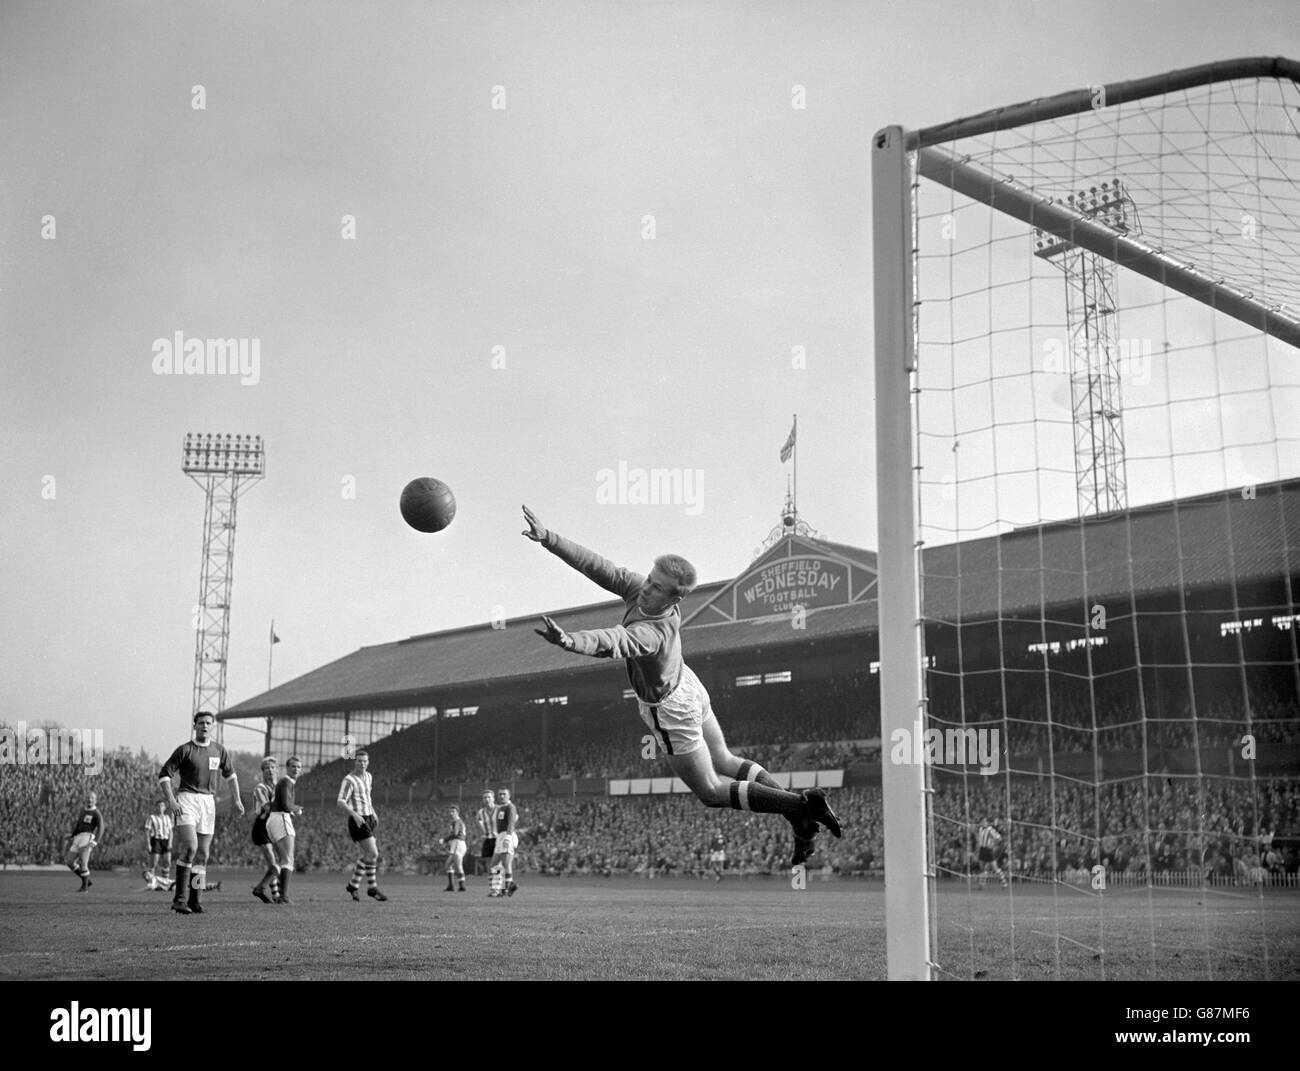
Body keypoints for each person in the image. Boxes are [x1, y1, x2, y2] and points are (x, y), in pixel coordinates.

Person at [523, 505, 841, 863]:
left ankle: (802, 805)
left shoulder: (652, 632)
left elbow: (614, 641)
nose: (646, 590)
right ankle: (798, 818)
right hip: (688, 684)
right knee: (725, 758)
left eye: (657, 587)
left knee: (710, 790)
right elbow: (601, 567)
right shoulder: (643, 592)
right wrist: (549, 539)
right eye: (649, 579)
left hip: (672, 708)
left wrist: (571, 641)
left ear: (674, 598)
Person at [158, 710, 244, 915]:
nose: (205, 726)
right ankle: (179, 899)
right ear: (194, 725)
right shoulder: (185, 750)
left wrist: (237, 799)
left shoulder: (219, 750)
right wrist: (171, 800)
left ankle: (195, 900)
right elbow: (164, 775)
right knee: (190, 847)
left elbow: (231, 775)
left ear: (212, 726)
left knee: (203, 854)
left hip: (208, 803)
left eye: (208, 723)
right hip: (186, 800)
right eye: (201, 723)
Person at [338, 750, 387, 901]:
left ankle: (353, 885)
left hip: (369, 817)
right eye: (359, 761)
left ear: (368, 762)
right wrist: (355, 815)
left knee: (367, 855)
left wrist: (373, 812)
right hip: (357, 820)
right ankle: (372, 888)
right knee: (373, 854)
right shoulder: (349, 780)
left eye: (365, 761)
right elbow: (340, 801)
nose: (362, 763)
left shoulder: (368, 776)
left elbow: (367, 798)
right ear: (355, 762)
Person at [266, 757, 304, 903]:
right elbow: (286, 806)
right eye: (293, 766)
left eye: (299, 767)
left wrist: (291, 809)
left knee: (283, 859)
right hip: (280, 818)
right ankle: (284, 896)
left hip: (273, 819)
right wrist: (298, 809)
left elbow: (279, 803)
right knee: (289, 858)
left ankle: (279, 893)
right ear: (287, 768)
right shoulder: (286, 781)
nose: (296, 769)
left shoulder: (285, 782)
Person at [250, 757, 281, 904]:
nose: (270, 770)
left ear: (277, 770)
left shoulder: (280, 787)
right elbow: (268, 808)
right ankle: (271, 893)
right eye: (267, 768)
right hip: (262, 826)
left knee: (277, 863)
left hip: (275, 825)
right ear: (263, 772)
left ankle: (267, 892)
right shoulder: (260, 788)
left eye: (273, 767)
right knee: (273, 862)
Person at [65, 790, 103, 892]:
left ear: (96, 801)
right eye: (88, 797)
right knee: (69, 862)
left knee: (83, 864)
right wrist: (72, 835)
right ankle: (87, 880)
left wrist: (94, 842)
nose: (89, 799)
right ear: (85, 799)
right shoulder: (83, 811)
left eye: (92, 798)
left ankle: (84, 887)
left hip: (87, 838)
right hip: (78, 838)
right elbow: (78, 825)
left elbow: (101, 828)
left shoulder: (96, 813)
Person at [488, 787, 519, 897]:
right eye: (500, 794)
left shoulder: (510, 807)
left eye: (504, 794)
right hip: (501, 836)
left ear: (509, 796)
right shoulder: (501, 808)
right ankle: (501, 888)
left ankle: (506, 888)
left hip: (507, 835)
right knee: (494, 864)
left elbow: (511, 823)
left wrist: (508, 837)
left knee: (506, 863)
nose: (501, 796)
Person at [143, 799, 173, 891]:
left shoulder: (167, 818)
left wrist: (170, 842)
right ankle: (151, 882)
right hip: (156, 840)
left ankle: (165, 882)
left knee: (167, 861)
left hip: (166, 840)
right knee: (154, 862)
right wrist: (148, 844)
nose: (160, 808)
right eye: (158, 806)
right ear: (156, 807)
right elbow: (147, 831)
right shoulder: (151, 817)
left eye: (162, 806)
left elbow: (171, 831)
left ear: (165, 807)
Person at [977, 817, 1008, 888]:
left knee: (995, 867)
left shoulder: (990, 830)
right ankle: (982, 884)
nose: (983, 823)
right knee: (982, 868)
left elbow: (999, 838)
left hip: (989, 850)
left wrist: (993, 845)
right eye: (982, 822)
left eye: (984, 822)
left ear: (987, 822)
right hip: (982, 849)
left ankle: (1004, 882)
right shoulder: (980, 829)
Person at [443, 806, 468, 892]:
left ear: (457, 812)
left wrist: (444, 840)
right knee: (448, 865)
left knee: (458, 865)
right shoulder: (456, 821)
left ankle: (462, 886)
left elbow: (455, 833)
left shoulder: (456, 821)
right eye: (450, 812)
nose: (451, 813)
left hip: (458, 843)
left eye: (453, 811)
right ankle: (451, 886)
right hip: (456, 843)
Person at [476, 790, 497, 876]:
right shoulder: (480, 812)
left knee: (498, 862)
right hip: (488, 839)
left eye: (489, 797)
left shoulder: (499, 809)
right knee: (489, 863)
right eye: (485, 797)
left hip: (498, 838)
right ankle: (495, 884)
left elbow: (514, 817)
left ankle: (502, 884)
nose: (487, 799)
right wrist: (482, 833)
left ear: (493, 798)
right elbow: (478, 823)